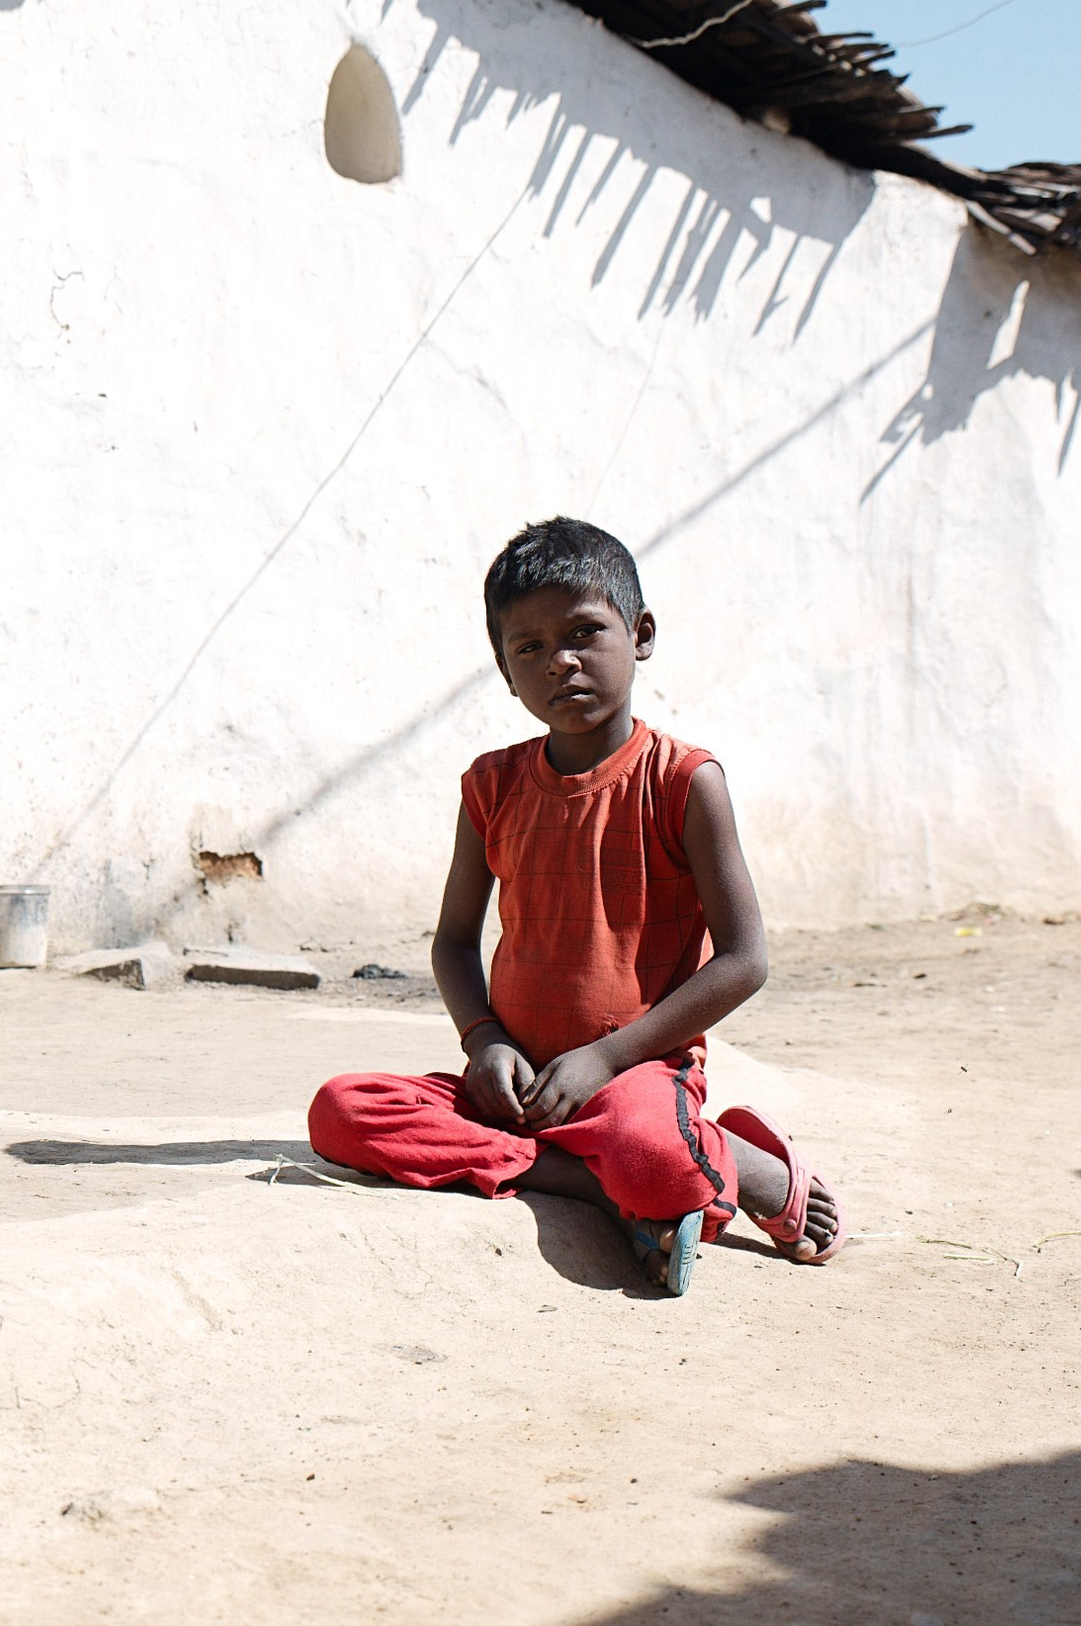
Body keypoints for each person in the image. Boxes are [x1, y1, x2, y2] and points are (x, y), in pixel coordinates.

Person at [307, 518, 843, 1296]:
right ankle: (594, 1186)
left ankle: (745, 1165)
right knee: (341, 1111)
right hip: (517, 1087)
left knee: (654, 1159)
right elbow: (454, 943)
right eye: (528, 648)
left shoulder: (684, 782)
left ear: (642, 634)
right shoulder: (489, 786)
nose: (560, 661)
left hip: (632, 1080)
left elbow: (744, 960)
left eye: (586, 632)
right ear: (504, 670)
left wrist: (605, 1058)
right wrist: (484, 1040)